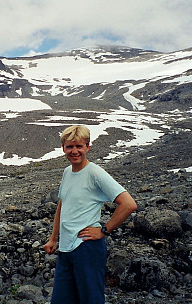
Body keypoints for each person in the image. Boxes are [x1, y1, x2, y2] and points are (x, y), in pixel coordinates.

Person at [43, 125, 137, 304]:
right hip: (65, 249)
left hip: (87, 248)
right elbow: (62, 204)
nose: (74, 151)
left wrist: (104, 230)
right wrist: (53, 239)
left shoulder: (95, 173)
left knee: (90, 300)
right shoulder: (67, 172)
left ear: (88, 147)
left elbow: (129, 204)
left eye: (79, 146)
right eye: (70, 147)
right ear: (63, 148)